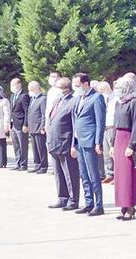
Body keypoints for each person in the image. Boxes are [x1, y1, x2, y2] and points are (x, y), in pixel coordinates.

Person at [109, 76, 136, 221]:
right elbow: (115, 124)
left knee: (128, 175)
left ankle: (130, 207)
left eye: (120, 86)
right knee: (119, 176)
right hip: (118, 138)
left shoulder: (134, 101)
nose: (117, 89)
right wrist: (112, 143)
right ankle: (122, 205)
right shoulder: (119, 102)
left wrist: (132, 144)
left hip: (128, 138)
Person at [71, 73, 107, 216]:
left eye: (77, 85)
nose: (76, 88)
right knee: (84, 174)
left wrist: (98, 142)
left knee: (93, 175)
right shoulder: (80, 98)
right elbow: (76, 121)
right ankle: (88, 202)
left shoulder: (96, 97)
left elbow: (100, 122)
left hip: (90, 141)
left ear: (86, 83)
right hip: (79, 141)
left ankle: (99, 205)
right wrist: (74, 143)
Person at [46, 77, 81, 211]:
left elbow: (74, 125)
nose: (56, 91)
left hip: (66, 142)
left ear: (66, 89)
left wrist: (74, 144)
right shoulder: (57, 101)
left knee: (70, 173)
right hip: (54, 142)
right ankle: (62, 197)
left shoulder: (73, 102)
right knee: (58, 173)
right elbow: (51, 121)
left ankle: (73, 200)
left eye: (58, 88)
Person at [27, 81, 48, 174]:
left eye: (31, 88)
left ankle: (43, 166)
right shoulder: (33, 99)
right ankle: (37, 164)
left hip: (39, 127)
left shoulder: (42, 99)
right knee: (35, 148)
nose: (29, 90)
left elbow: (43, 114)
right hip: (32, 127)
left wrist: (42, 126)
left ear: (36, 88)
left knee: (41, 148)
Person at [11, 78, 31, 171]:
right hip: (13, 124)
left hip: (21, 124)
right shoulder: (13, 96)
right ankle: (18, 162)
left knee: (23, 145)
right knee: (16, 145)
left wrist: (25, 124)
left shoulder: (24, 96)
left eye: (14, 85)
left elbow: (27, 111)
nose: (12, 87)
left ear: (19, 85)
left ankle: (23, 164)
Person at [103, 78, 119, 182]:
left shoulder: (116, 98)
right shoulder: (104, 98)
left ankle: (117, 175)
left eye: (102, 90)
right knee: (106, 152)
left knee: (114, 152)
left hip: (113, 127)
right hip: (105, 127)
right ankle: (109, 174)